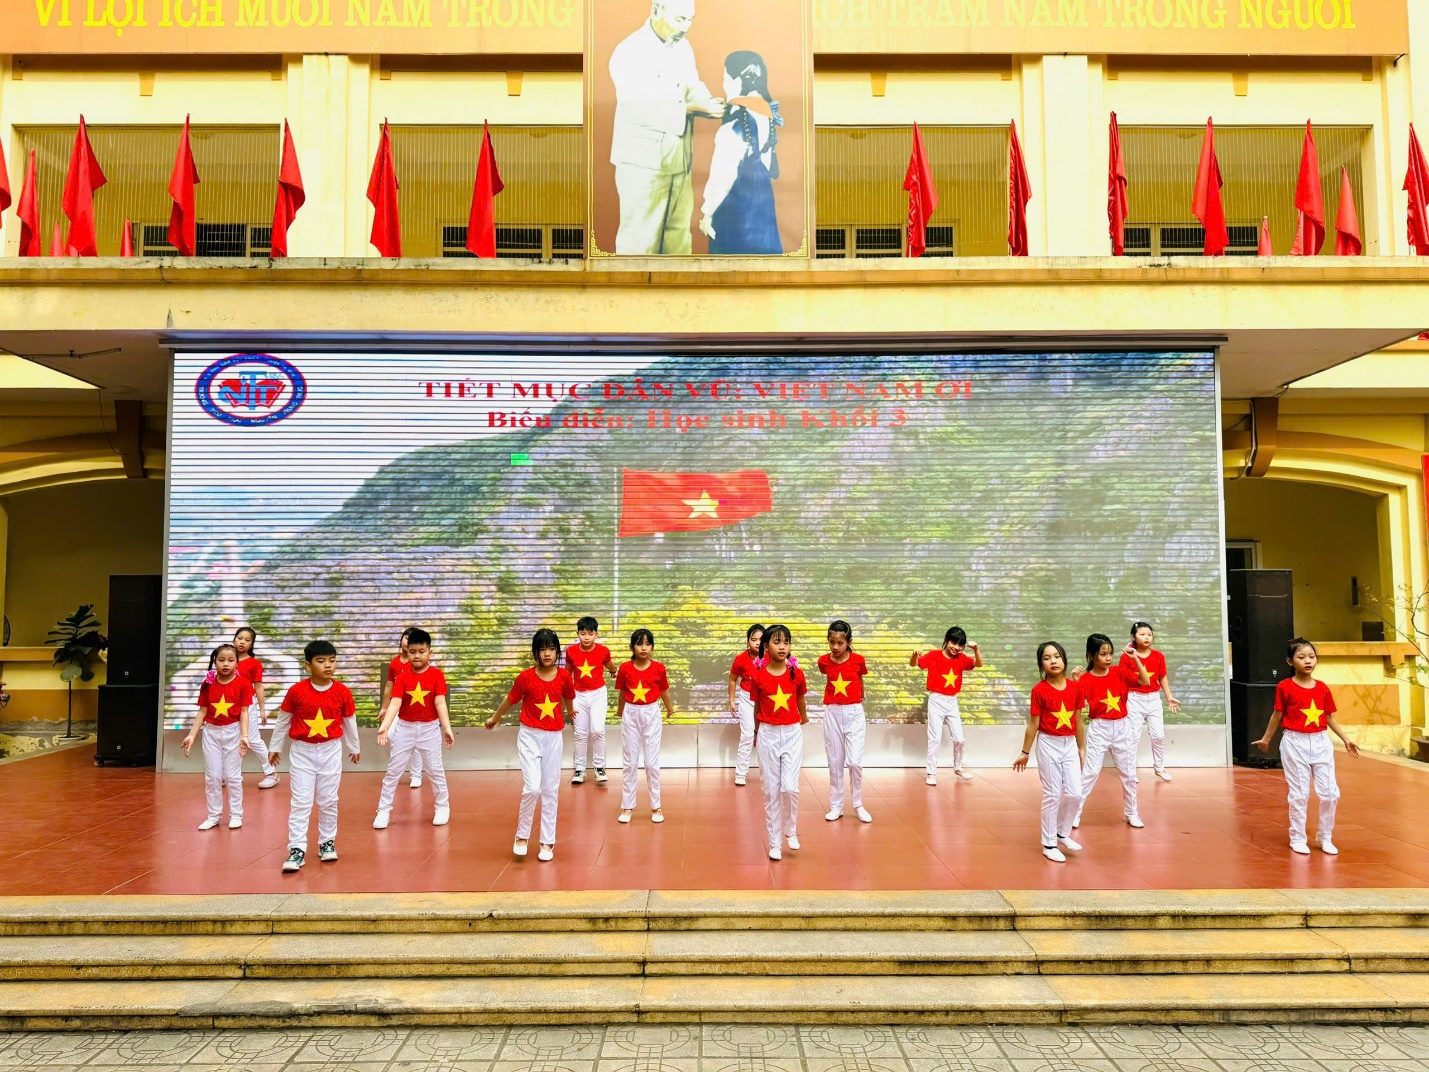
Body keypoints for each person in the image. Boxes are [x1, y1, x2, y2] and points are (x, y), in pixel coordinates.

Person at [608, 0, 724, 254]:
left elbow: (693, 85)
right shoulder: (629, 51)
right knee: (640, 242)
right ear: (656, 11)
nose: (686, 27)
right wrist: (693, 108)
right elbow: (637, 106)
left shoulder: (683, 48)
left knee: (678, 238)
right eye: (680, 19)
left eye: (690, 19)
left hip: (679, 161)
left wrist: (708, 101)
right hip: (643, 165)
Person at [1255, 638, 1360, 855]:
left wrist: (1345, 738)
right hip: (1295, 742)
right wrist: (1266, 739)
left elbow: (1328, 717)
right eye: (1301, 657)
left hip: (1321, 742)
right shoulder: (1285, 686)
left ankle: (1325, 836)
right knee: (1299, 793)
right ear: (1290, 661)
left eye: (1311, 657)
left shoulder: (1322, 688)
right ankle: (1297, 837)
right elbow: (1277, 715)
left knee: (1331, 793)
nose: (1308, 661)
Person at [267, 639, 359, 873]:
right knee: (301, 802)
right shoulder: (296, 691)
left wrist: (354, 747)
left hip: (330, 750)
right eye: (321, 661)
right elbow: (283, 720)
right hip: (302, 752)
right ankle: (296, 849)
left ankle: (327, 843)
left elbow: (350, 721)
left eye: (332, 660)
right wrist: (274, 746)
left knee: (329, 800)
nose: (328, 665)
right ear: (308, 665)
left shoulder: (342, 692)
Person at [486, 628, 576, 862]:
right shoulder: (525, 677)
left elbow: (568, 695)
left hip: (554, 737)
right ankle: (522, 835)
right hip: (529, 736)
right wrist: (495, 718)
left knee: (550, 790)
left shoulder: (565, 676)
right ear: (535, 653)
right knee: (532, 787)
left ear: (557, 652)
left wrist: (570, 711)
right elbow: (511, 699)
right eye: (542, 649)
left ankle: (547, 841)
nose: (547, 653)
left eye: (551, 649)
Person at [699, 50, 783, 255]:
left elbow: (723, 176)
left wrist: (707, 214)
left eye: (725, 77)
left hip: (736, 210)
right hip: (762, 203)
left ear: (737, 81)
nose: (724, 83)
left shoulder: (736, 123)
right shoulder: (767, 114)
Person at [373, 627, 453, 829]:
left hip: (430, 729)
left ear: (430, 653)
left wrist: (446, 728)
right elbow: (395, 703)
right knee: (394, 770)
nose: (417, 656)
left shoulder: (437, 675)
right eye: (412, 652)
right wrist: (385, 726)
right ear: (407, 652)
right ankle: (383, 811)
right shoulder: (402, 676)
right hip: (405, 728)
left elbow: (440, 703)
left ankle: (442, 806)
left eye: (421, 652)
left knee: (435, 770)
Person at [1013, 641, 1086, 863]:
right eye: (1046, 658)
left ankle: (1062, 833)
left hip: (1069, 744)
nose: (1053, 661)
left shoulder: (1075, 688)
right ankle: (1049, 844)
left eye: (1057, 656)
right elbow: (1033, 724)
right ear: (1041, 664)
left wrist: (1081, 747)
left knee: (1075, 793)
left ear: (1064, 659)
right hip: (1048, 744)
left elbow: (1078, 719)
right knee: (1053, 794)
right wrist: (1025, 752)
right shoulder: (1039, 690)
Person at [1073, 633, 1150, 830]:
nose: (1108, 658)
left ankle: (1132, 812)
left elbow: (1145, 681)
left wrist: (1135, 659)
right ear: (1091, 656)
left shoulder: (1120, 672)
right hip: (1100, 728)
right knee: (1090, 772)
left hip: (1122, 726)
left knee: (1129, 773)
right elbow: (1075, 703)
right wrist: (1075, 680)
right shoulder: (1085, 680)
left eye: (1110, 654)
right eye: (1103, 654)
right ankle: (1074, 812)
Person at [749, 623, 808, 861]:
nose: (782, 647)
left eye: (786, 642)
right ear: (765, 646)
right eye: (776, 642)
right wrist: (756, 733)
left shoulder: (797, 673)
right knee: (771, 790)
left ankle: (790, 831)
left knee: (790, 787)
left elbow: (801, 700)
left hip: (792, 733)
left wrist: (801, 721)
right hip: (768, 734)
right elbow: (756, 706)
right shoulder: (758, 676)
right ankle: (775, 842)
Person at [181, 642, 252, 831]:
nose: (225, 664)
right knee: (212, 777)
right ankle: (214, 815)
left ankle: (236, 814)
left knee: (233, 777)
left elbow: (244, 711)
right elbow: (202, 712)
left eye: (230, 660)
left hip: (234, 732)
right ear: (215, 662)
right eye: (221, 660)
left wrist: (244, 735)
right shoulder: (208, 684)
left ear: (237, 663)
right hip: (211, 733)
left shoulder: (243, 684)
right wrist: (191, 735)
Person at [615, 628, 676, 824]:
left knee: (651, 763)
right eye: (639, 644)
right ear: (632, 646)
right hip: (631, 713)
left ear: (652, 647)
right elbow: (622, 693)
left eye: (647, 644)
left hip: (651, 713)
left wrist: (669, 708)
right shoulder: (625, 668)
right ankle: (627, 806)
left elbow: (664, 691)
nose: (643, 648)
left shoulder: (659, 668)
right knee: (630, 762)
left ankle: (656, 806)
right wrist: (620, 711)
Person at [911, 627, 982, 785]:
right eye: (953, 643)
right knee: (934, 738)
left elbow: (978, 664)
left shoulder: (962, 658)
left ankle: (958, 767)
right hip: (936, 699)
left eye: (960, 645)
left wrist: (976, 649)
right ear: (946, 640)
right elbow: (914, 664)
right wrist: (914, 654)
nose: (956, 647)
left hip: (952, 700)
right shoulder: (934, 655)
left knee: (959, 739)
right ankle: (931, 772)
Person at [817, 620, 871, 823]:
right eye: (832, 642)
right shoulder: (823, 662)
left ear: (848, 641)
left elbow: (860, 677)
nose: (835, 647)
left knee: (855, 762)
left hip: (854, 712)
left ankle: (857, 804)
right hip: (832, 711)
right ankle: (836, 805)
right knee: (835, 761)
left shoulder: (858, 660)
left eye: (840, 643)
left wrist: (860, 698)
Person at [1121, 621, 1180, 781]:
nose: (1146, 637)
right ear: (1133, 637)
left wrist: (1169, 697)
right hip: (1134, 698)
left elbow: (1162, 677)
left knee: (1158, 735)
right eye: (1142, 634)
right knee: (1132, 736)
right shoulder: (1127, 656)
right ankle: (1130, 770)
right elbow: (1123, 679)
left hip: (1153, 699)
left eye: (1149, 634)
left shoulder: (1158, 656)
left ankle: (1159, 768)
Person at [567, 616, 616, 786]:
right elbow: (567, 673)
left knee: (597, 730)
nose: (586, 637)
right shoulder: (571, 652)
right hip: (578, 695)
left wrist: (613, 671)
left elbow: (610, 665)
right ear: (577, 634)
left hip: (598, 694)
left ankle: (599, 768)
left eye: (590, 633)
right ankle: (580, 770)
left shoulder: (603, 651)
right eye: (582, 633)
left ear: (596, 634)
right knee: (580, 733)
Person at [233, 626, 280, 790]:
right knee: (232, 740)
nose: (242, 642)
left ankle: (271, 773)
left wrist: (262, 709)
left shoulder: (254, 663)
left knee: (252, 739)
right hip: (228, 706)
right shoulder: (226, 659)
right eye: (240, 638)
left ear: (251, 644)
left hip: (247, 705)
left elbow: (258, 687)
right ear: (234, 639)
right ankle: (231, 775)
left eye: (247, 640)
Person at [379, 627, 423, 790]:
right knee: (391, 735)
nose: (407, 641)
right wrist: (384, 708)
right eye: (405, 637)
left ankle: (416, 775)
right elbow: (389, 686)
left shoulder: (419, 662)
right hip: (395, 706)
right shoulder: (395, 663)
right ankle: (396, 771)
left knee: (416, 742)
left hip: (414, 707)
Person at [727, 623, 764, 786]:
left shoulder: (771, 657)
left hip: (766, 700)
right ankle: (741, 773)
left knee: (765, 736)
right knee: (748, 735)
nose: (757, 643)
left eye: (761, 640)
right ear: (748, 641)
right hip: (747, 699)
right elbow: (732, 680)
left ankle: (769, 773)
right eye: (753, 639)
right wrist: (732, 701)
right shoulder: (740, 659)